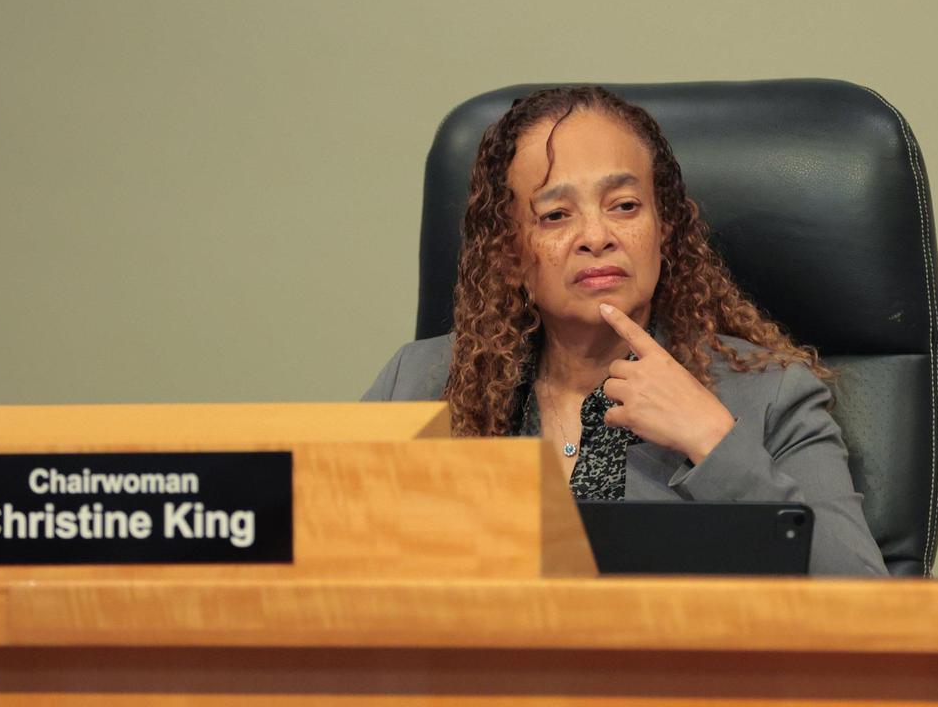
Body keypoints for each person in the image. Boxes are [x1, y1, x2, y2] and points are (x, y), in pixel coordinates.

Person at [364, 86, 886, 576]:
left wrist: (712, 440)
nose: (596, 236)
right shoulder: (421, 383)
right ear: (508, 256)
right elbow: (329, 566)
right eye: (555, 215)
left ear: (665, 230)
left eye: (625, 206)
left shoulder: (771, 392)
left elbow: (868, 605)